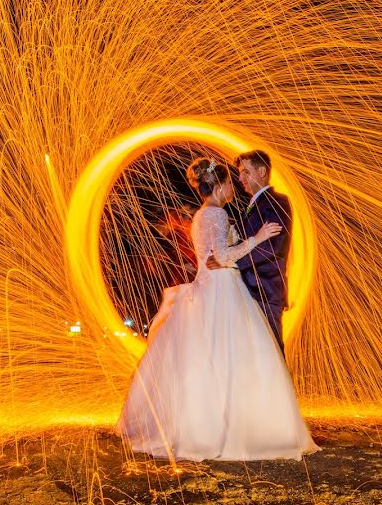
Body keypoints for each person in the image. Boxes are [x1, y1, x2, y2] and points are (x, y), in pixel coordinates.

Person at [114, 157, 320, 461]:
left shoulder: (205, 214)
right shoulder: (217, 214)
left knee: (217, 357)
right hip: (223, 287)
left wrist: (231, 250)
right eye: (232, 179)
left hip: (216, 285)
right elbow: (221, 255)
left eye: (244, 173)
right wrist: (256, 238)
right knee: (237, 356)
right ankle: (244, 426)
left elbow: (216, 254)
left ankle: (217, 422)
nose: (236, 183)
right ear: (220, 186)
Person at [206, 150, 290, 354]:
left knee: (272, 356)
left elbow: (271, 247)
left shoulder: (276, 202)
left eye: (245, 172)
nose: (240, 178)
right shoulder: (253, 206)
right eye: (240, 173)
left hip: (264, 290)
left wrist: (229, 262)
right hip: (248, 291)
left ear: (262, 171)